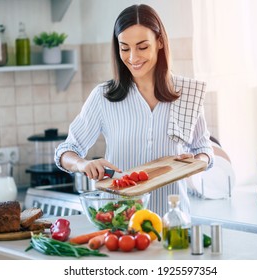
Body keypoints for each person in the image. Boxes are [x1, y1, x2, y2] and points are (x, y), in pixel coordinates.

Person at [55, 4, 214, 217]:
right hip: (119, 222)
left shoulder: (187, 94)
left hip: (172, 220)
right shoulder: (103, 97)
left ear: (159, 42)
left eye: (142, 47)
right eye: (125, 48)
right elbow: (66, 150)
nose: (132, 57)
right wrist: (83, 164)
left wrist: (196, 162)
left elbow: (204, 149)